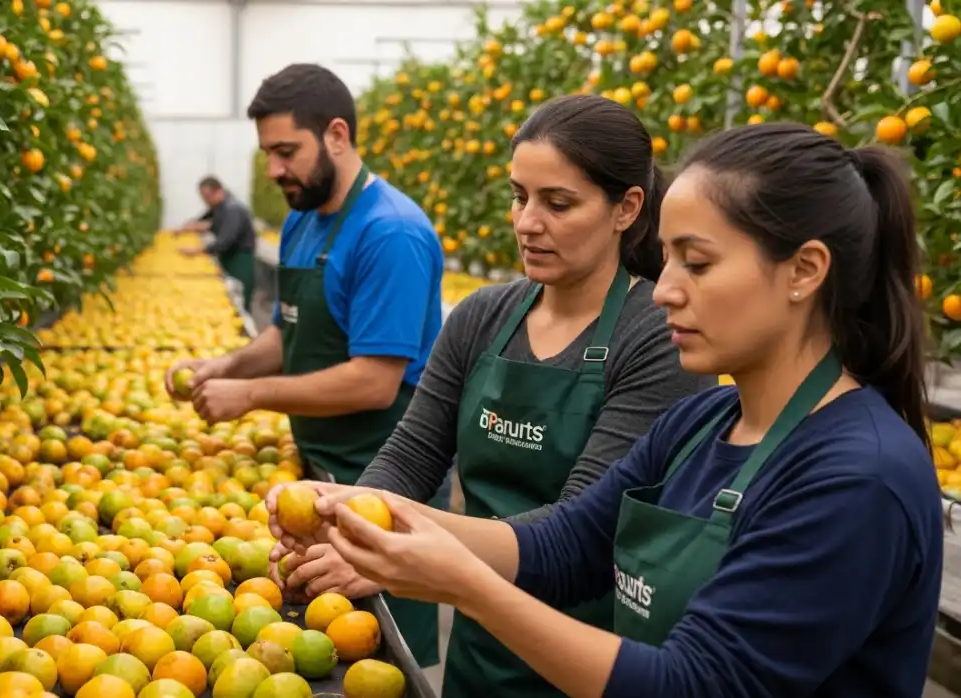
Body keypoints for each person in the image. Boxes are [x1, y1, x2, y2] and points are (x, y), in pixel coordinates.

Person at [277, 122, 943, 698]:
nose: (664, 292)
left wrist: (465, 585)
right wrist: (373, 518)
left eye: (698, 264)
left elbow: (697, 684)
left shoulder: (855, 480)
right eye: (670, 258)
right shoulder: (701, 426)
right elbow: (565, 545)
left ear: (805, 271)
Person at [268, 94, 715, 698]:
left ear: (626, 208)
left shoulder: (657, 338)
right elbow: (413, 453)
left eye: (558, 203)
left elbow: (579, 528)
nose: (528, 222)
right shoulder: (484, 316)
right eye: (519, 196)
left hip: (589, 652)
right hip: (478, 650)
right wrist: (348, 523)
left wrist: (391, 544)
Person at [164, 63, 446, 666]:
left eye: (287, 151)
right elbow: (284, 331)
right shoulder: (301, 220)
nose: (273, 171)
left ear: (337, 135)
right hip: (318, 477)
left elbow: (373, 381)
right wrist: (226, 366)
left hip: (384, 483)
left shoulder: (389, 233)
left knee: (376, 658)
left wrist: (251, 396)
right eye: (267, 153)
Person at [176, 176, 259, 311]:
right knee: (230, 296)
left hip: (240, 259)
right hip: (229, 257)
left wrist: (196, 251)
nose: (205, 201)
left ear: (219, 191)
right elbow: (203, 219)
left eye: (207, 196)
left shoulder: (233, 209)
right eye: (203, 197)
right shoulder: (218, 206)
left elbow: (225, 241)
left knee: (239, 300)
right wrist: (186, 227)